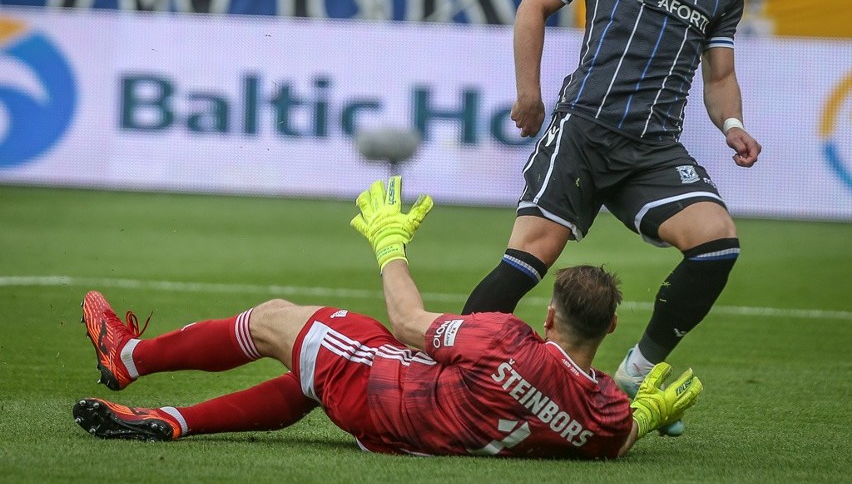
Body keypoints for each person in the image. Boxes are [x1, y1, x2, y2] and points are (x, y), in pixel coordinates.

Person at [460, 0, 761, 436]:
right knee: (528, 260)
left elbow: (720, 74)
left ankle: (630, 377)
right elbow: (532, 7)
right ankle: (450, 368)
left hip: (651, 148)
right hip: (584, 129)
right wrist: (529, 94)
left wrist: (732, 124)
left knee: (717, 243)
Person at [73, 177, 702, 458]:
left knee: (272, 320)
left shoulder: (509, 340)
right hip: (421, 435)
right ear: (611, 327)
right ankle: (171, 421)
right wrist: (647, 413)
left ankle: (126, 358)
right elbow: (619, 439)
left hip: (388, 394)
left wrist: (388, 242)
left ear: (548, 317)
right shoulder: (606, 412)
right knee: (308, 380)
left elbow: (406, 320)